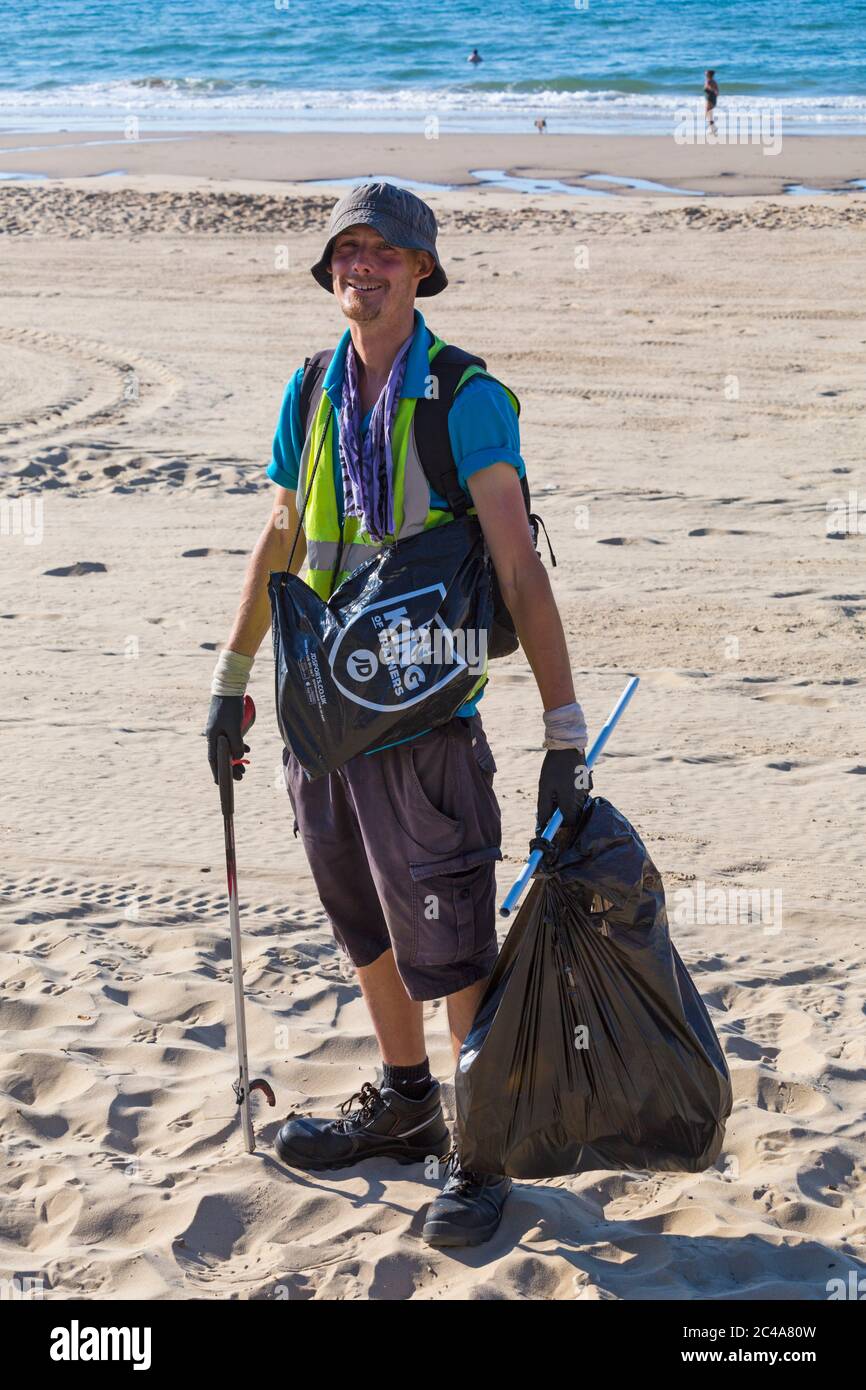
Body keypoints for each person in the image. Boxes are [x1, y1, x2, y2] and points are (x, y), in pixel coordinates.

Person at [205, 181, 589, 1248]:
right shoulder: (311, 389)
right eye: (345, 252)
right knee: (360, 923)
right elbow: (279, 534)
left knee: (451, 942)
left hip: (423, 726)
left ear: (422, 268)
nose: (360, 268)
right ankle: (409, 1098)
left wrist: (563, 733)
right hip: (320, 713)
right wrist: (230, 679)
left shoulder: (465, 395)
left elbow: (517, 567)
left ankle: (479, 1150)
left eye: (382, 252)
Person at [704, 69, 719, 133]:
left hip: (710, 98)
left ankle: (713, 128)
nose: (705, 74)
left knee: (708, 113)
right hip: (713, 98)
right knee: (709, 113)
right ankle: (713, 128)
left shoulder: (708, 81)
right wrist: (715, 92)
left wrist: (710, 89)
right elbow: (717, 91)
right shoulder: (714, 81)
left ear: (709, 75)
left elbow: (709, 88)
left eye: (706, 73)